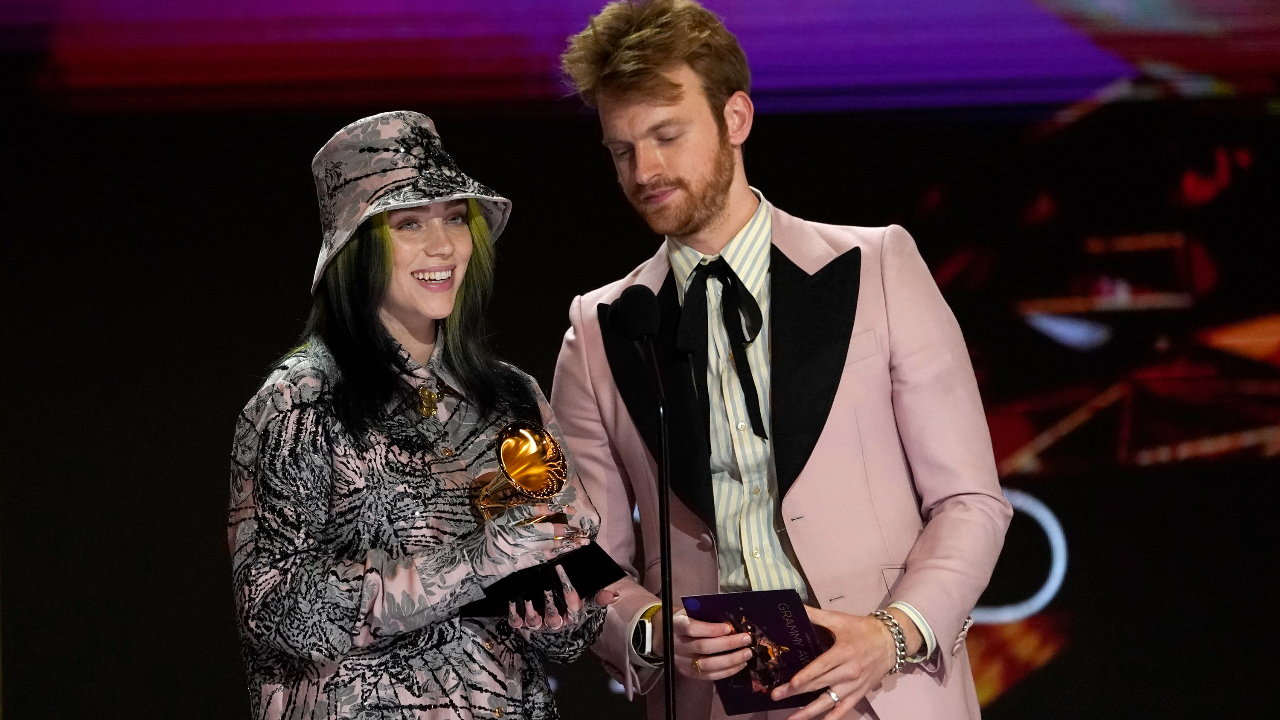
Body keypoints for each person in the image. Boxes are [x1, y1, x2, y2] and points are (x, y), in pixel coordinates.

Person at [551, 2, 1012, 720]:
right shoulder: (599, 329)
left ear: (735, 118)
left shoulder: (877, 267)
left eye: (667, 136)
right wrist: (653, 631)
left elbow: (970, 501)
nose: (645, 171)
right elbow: (582, 555)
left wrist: (891, 635)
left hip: (882, 694)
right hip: (711, 705)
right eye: (622, 150)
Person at [227, 111, 617, 720]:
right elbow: (275, 613)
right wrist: (477, 564)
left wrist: (559, 615)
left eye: (456, 218)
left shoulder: (511, 395)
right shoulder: (299, 403)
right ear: (356, 247)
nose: (444, 246)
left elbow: (574, 621)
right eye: (409, 224)